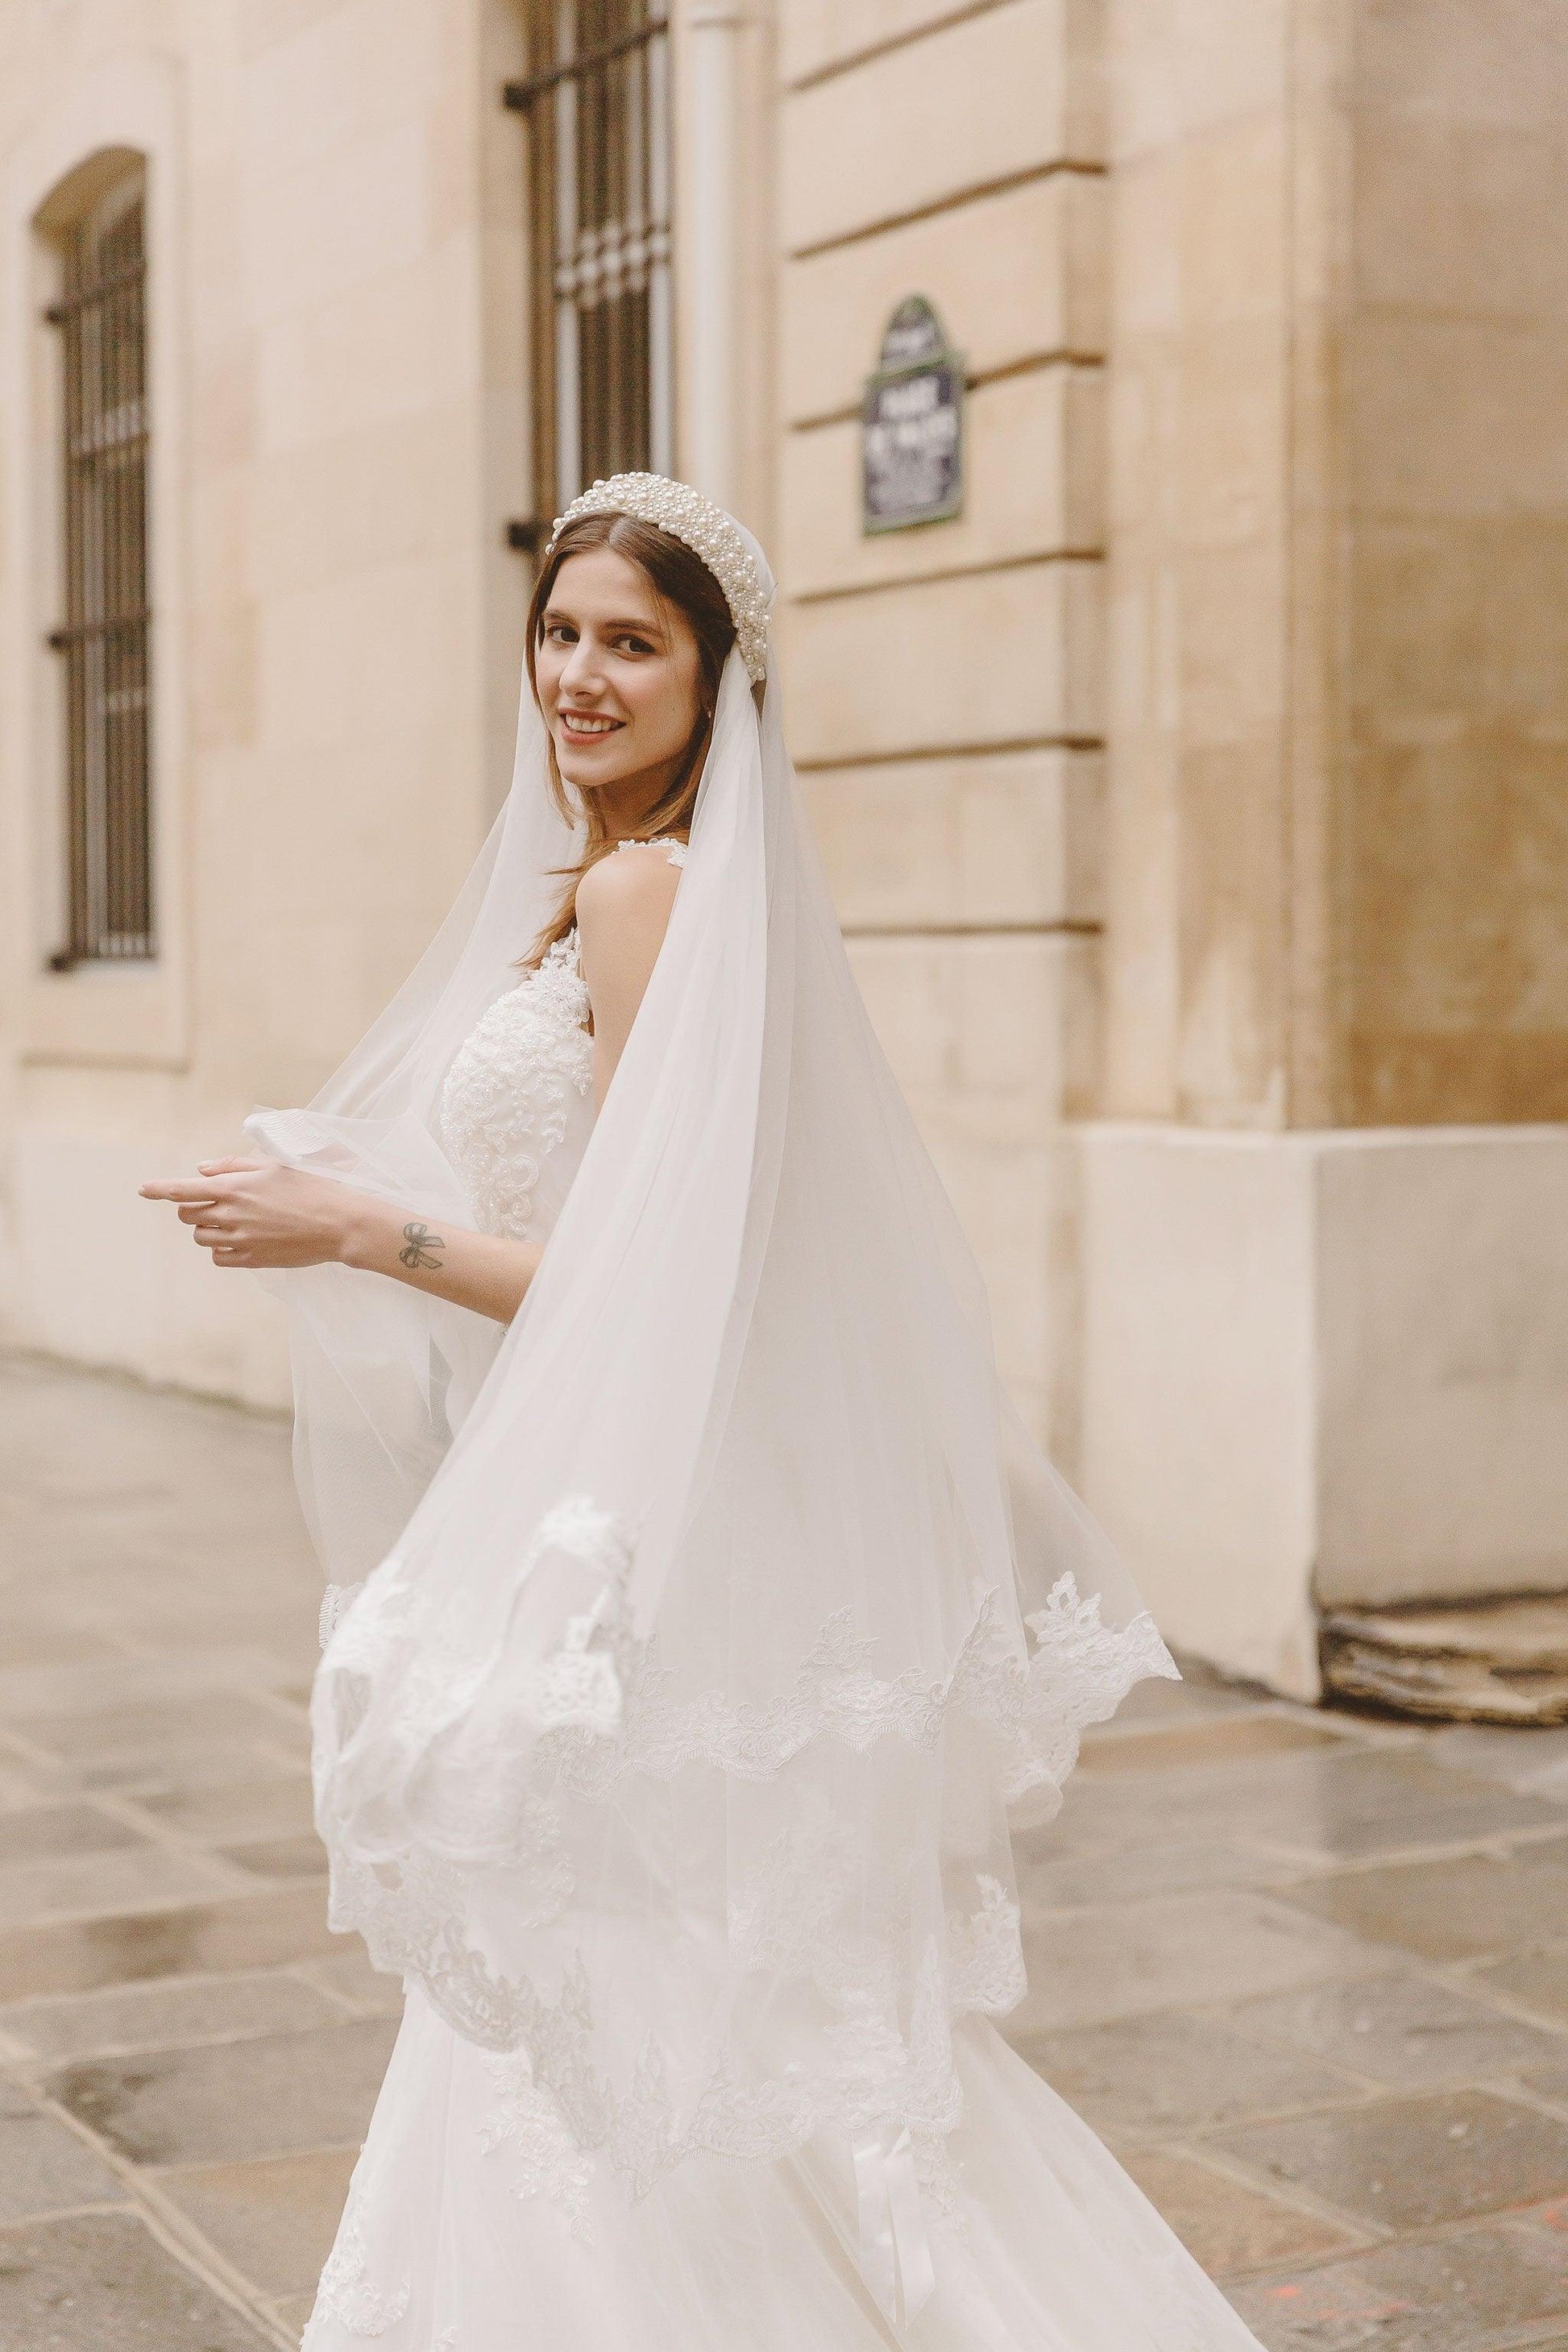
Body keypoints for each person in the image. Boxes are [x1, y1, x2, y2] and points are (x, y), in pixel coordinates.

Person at [142, 477, 1264, 2349]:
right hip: (598, 1487)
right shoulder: (613, 892)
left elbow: (663, 1275)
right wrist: (343, 1174)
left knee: (636, 1984)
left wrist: (358, 1225)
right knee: (652, 1989)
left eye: (632, 642)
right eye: (563, 630)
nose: (580, 673)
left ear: (714, 680)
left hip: (628, 1523)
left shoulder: (648, 891)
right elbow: (593, 1208)